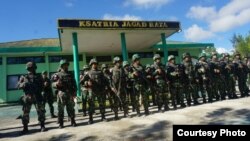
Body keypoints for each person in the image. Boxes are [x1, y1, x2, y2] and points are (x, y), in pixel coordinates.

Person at [17, 62, 46, 134]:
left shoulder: (39, 76)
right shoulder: (23, 77)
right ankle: (25, 127)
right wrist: (23, 84)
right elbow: (18, 85)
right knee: (25, 112)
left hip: (37, 96)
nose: (31, 70)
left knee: (41, 111)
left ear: (34, 68)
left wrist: (41, 88)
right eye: (29, 68)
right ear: (27, 69)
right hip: (28, 97)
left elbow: (42, 86)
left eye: (32, 68)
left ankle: (42, 126)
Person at [51, 59, 77, 128]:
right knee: (60, 109)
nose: (66, 67)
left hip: (70, 94)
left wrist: (75, 93)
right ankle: (61, 123)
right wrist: (56, 84)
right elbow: (52, 84)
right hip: (61, 94)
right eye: (64, 65)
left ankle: (72, 121)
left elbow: (74, 84)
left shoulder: (70, 74)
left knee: (71, 109)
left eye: (67, 65)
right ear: (61, 66)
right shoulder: (57, 75)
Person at [82, 58, 107, 124]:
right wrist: (87, 83)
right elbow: (81, 82)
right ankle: (90, 118)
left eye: (95, 64)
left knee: (101, 104)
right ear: (91, 64)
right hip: (92, 91)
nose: (94, 65)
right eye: (93, 64)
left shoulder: (100, 72)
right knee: (91, 105)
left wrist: (104, 87)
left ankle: (103, 116)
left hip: (100, 91)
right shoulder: (88, 73)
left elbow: (105, 81)